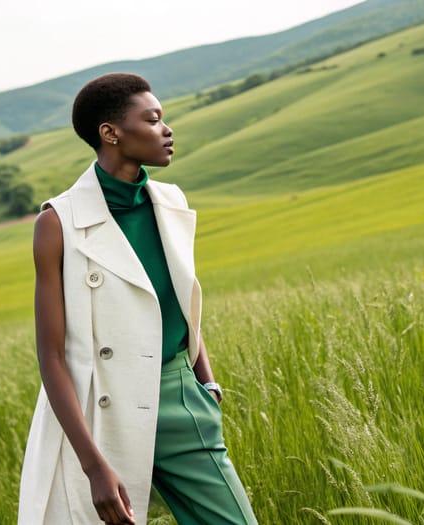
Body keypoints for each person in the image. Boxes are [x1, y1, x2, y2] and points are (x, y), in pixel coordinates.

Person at [18, 73, 258, 525]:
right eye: (152, 120)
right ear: (111, 133)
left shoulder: (170, 202)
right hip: (100, 415)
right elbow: (51, 354)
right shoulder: (57, 224)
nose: (167, 130)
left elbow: (180, 301)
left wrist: (206, 384)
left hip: (180, 397)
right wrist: (93, 465)